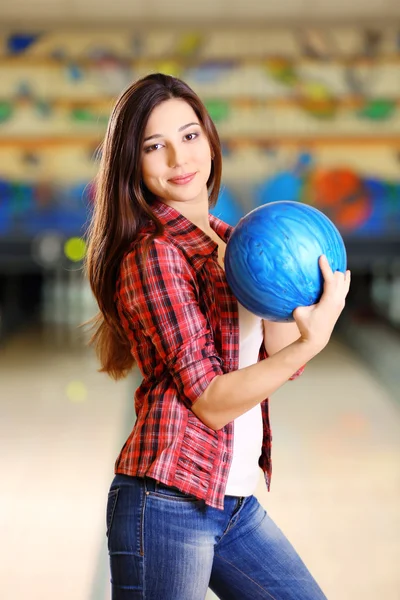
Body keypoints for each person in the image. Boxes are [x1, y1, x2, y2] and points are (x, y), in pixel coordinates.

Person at [85, 73, 351, 600]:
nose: (178, 160)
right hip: (164, 503)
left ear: (209, 138)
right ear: (131, 164)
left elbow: (276, 355)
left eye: (188, 136)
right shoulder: (153, 256)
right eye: (153, 146)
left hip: (229, 503)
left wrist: (302, 305)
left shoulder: (238, 244)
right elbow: (210, 401)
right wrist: (310, 343)